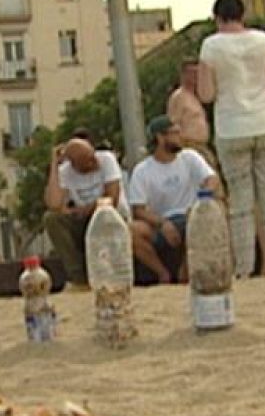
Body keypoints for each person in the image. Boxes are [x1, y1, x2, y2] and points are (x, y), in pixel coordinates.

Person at [197, 0, 265, 278]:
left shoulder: (211, 47)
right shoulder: (263, 41)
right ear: (242, 14)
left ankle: (245, 268)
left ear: (217, 17)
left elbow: (206, 93)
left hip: (232, 125)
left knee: (241, 201)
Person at [129, 116, 220, 285]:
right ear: (160, 138)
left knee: (206, 219)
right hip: (161, 220)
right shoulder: (142, 170)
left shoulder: (190, 157)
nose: (180, 137)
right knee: (133, 231)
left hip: (190, 213)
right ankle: (162, 273)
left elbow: (212, 179)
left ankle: (185, 272)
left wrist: (202, 199)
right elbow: (138, 209)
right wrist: (162, 223)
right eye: (175, 133)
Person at [43, 134, 125, 288]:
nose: (94, 161)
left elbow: (111, 198)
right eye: (87, 160)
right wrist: (54, 165)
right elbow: (54, 204)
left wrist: (85, 210)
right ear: (74, 164)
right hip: (84, 220)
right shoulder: (66, 172)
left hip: (109, 218)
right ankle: (77, 276)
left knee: (104, 216)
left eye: (92, 155)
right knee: (52, 219)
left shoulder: (106, 159)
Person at [168, 59, 214, 166]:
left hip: (201, 145)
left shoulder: (195, 96)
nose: (196, 77)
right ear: (184, 75)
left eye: (197, 73)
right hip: (189, 145)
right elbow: (173, 123)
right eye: (192, 73)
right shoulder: (179, 97)